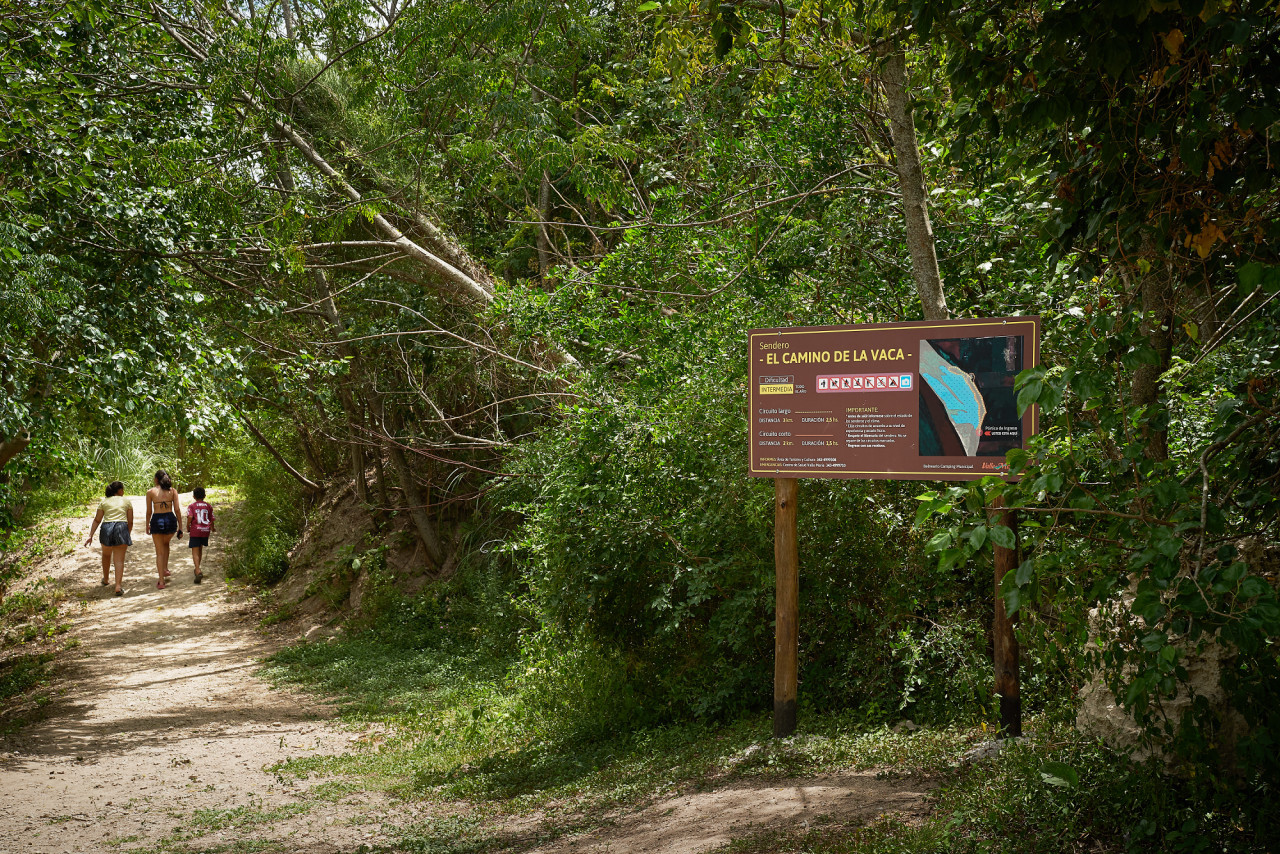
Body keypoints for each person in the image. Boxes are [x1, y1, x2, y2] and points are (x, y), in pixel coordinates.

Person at [85, 481, 132, 597]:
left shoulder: (104, 501)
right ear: (120, 491)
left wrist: (90, 535)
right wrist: (127, 533)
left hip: (106, 527)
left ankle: (106, 579)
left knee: (106, 555)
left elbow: (97, 520)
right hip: (121, 527)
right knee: (119, 560)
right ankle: (118, 586)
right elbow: (130, 521)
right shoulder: (126, 501)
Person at [145, 470, 183, 589]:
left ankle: (161, 582)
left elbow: (149, 512)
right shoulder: (173, 491)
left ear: (156, 479)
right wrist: (180, 527)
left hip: (157, 520)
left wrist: (147, 524)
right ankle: (165, 569)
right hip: (170, 520)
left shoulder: (150, 492)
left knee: (159, 552)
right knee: (166, 543)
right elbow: (177, 509)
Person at [186, 486, 215, 584]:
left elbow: (190, 516)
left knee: (195, 550)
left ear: (194, 496)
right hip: (205, 530)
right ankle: (198, 567)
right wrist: (212, 528)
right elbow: (211, 519)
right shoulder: (208, 506)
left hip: (195, 530)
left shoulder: (191, 506)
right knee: (200, 548)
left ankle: (197, 569)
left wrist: (188, 525)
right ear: (204, 496)